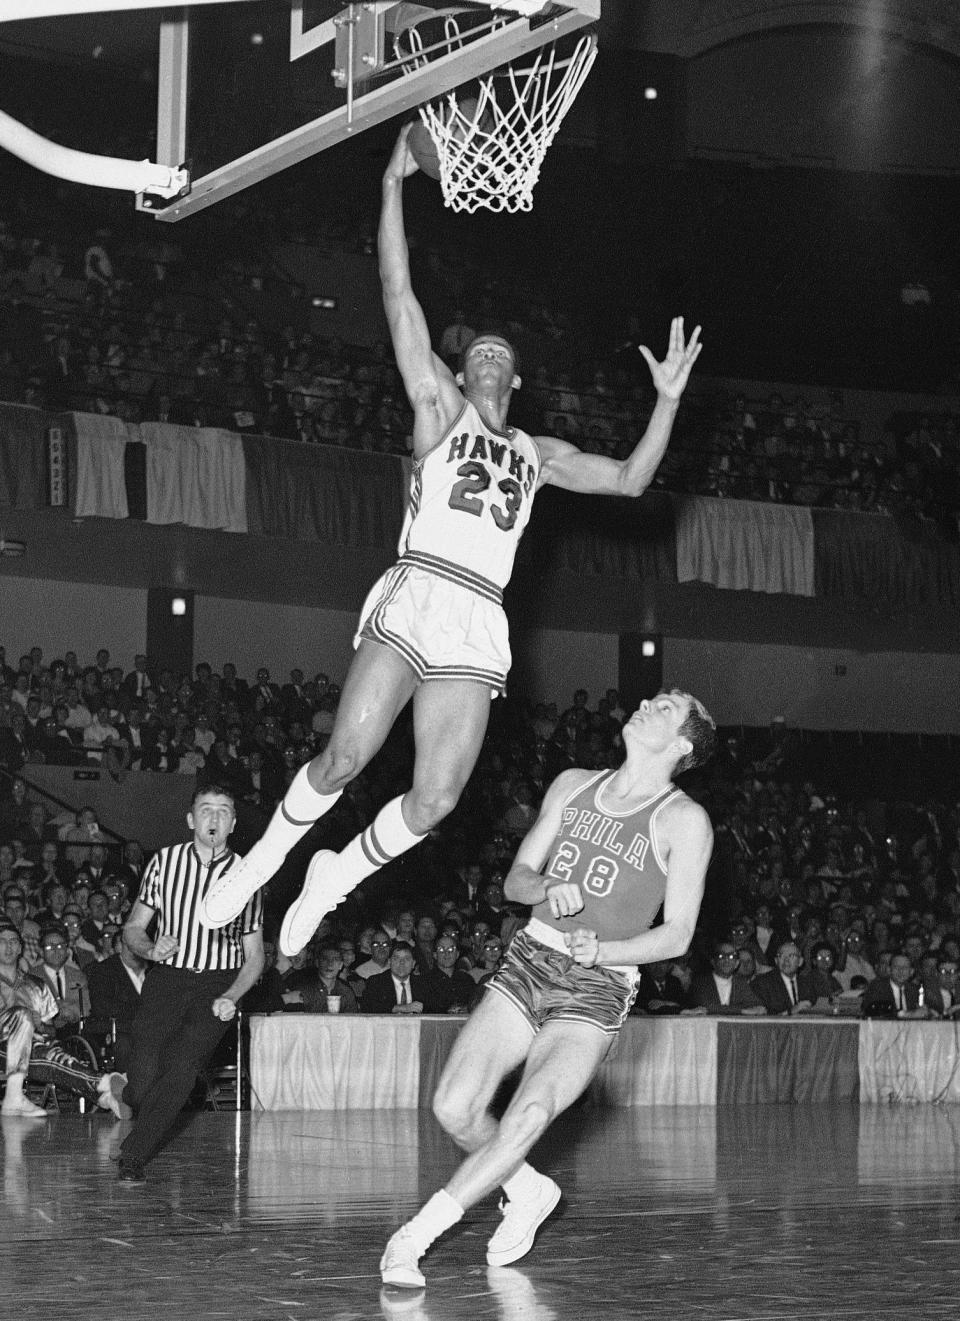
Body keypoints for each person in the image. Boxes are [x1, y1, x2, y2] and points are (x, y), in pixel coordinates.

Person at [201, 125, 702, 952]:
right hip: (422, 583)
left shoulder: (536, 454)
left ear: (517, 379)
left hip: (479, 615)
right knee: (345, 758)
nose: (492, 359)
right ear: (463, 369)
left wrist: (669, 401)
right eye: (480, 353)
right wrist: (393, 186)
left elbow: (630, 481)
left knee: (436, 801)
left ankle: (334, 876)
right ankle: (259, 866)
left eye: (504, 356)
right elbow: (398, 295)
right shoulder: (438, 408)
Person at [378, 688, 716, 1288]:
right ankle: (528, 1188)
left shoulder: (683, 820)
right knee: (454, 1107)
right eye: (652, 697)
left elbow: (679, 935)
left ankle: (414, 1238)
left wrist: (604, 950)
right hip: (531, 958)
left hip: (599, 984)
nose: (647, 702)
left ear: (683, 745)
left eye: (665, 707)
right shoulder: (573, 783)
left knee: (531, 1109)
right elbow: (516, 880)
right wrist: (547, 887)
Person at [117, 784, 264, 1183]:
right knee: (145, 1074)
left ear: (233, 822)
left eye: (223, 811)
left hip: (216, 985)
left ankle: (134, 1154)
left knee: (182, 1066)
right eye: (206, 810)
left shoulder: (247, 875)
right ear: (190, 819)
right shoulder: (164, 863)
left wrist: (232, 995)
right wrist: (150, 948)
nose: (213, 818)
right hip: (168, 978)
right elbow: (132, 928)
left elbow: (255, 957)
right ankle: (131, 1093)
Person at [0, 922, 125, 1118]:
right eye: (2, 941)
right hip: (3, 1049)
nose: (8, 946)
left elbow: (50, 1031)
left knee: (52, 1056)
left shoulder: (36, 985)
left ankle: (105, 1093)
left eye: (13, 941)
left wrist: (38, 1023)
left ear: (20, 947)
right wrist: (21, 1021)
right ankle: (103, 1085)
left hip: (33, 1050)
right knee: (22, 1016)